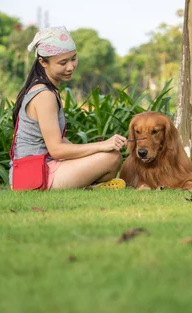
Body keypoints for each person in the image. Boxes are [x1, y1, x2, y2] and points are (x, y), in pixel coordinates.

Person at [10, 26, 127, 190]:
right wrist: (102, 145)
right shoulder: (44, 95)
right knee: (111, 158)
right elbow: (56, 149)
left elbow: (57, 140)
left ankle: (91, 186)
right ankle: (91, 186)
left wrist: (91, 152)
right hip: (36, 175)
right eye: (62, 63)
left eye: (73, 59)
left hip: (41, 169)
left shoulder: (47, 89)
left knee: (108, 156)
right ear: (43, 62)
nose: (71, 67)